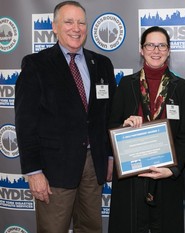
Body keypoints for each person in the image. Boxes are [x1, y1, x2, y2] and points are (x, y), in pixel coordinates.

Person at [15, 1, 116, 232]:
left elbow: (107, 116)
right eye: (68, 22)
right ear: (54, 26)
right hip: (54, 170)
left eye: (81, 22)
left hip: (94, 165)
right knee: (53, 228)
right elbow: (25, 123)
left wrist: (110, 156)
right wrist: (34, 172)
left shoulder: (102, 64)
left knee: (91, 227)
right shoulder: (36, 65)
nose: (76, 28)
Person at [108, 26, 185, 233]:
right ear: (141, 49)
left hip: (166, 177)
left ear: (169, 50)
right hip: (131, 178)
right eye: (150, 45)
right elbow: (111, 125)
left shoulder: (181, 87)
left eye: (161, 45)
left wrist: (172, 170)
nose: (156, 50)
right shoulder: (126, 84)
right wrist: (124, 126)